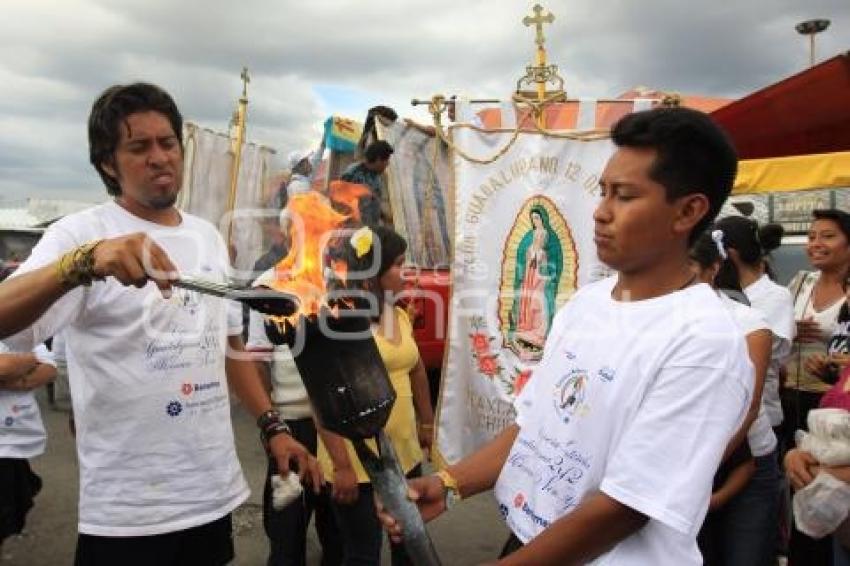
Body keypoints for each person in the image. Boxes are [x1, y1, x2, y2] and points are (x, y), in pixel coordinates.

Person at [379, 107, 753, 564]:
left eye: (624, 196)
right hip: (531, 541)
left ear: (688, 211)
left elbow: (623, 509)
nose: (601, 213)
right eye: (602, 192)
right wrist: (449, 484)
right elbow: (534, 423)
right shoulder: (586, 304)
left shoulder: (705, 343)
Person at [0, 82, 320, 566]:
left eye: (167, 143)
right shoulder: (81, 233)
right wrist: (84, 263)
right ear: (108, 163)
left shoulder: (207, 236)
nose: (159, 157)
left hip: (209, 494)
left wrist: (272, 426)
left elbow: (226, 344)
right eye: (138, 146)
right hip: (128, 513)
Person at [318, 226, 434, 565]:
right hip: (357, 463)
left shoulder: (399, 314)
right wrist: (341, 466)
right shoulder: (337, 322)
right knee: (362, 554)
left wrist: (427, 424)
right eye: (398, 264)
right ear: (372, 274)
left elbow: (417, 371)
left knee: (408, 543)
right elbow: (321, 398)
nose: (406, 271)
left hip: (404, 458)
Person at [247, 231, 342, 566]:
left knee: (338, 524)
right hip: (290, 429)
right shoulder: (265, 286)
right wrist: (271, 425)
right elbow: (258, 361)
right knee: (287, 526)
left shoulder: (336, 281)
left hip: (335, 428)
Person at [690, 228, 777, 565]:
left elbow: (748, 408)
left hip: (745, 464)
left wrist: (697, 473)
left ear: (713, 268)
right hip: (686, 466)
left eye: (690, 269)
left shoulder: (748, 323)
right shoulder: (657, 322)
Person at [0, 342, 56, 556]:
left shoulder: (20, 330)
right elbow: (3, 368)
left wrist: (18, 380)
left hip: (11, 448)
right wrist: (30, 359)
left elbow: (50, 368)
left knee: (6, 519)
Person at [510, 206, 563, 359]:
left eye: (537, 218)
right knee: (527, 301)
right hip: (529, 277)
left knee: (537, 303)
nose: (535, 221)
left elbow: (548, 268)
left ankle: (538, 331)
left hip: (538, 279)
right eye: (533, 218)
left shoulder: (543, 251)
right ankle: (526, 326)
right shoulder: (530, 248)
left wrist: (545, 277)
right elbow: (524, 261)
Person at [340, 140, 394, 225]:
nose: (387, 164)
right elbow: (342, 205)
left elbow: (373, 202)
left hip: (370, 228)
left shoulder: (376, 176)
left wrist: (384, 216)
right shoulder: (352, 175)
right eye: (386, 160)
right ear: (378, 159)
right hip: (356, 230)